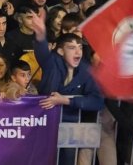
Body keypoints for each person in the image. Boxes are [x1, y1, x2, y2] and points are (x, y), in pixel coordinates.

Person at [27, 10, 103, 164]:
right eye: (71, 48)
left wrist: (66, 101)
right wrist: (41, 34)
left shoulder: (86, 70)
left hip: (70, 128)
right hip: (45, 125)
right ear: (61, 51)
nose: (78, 52)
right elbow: (42, 53)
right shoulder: (52, 63)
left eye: (80, 48)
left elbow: (97, 101)